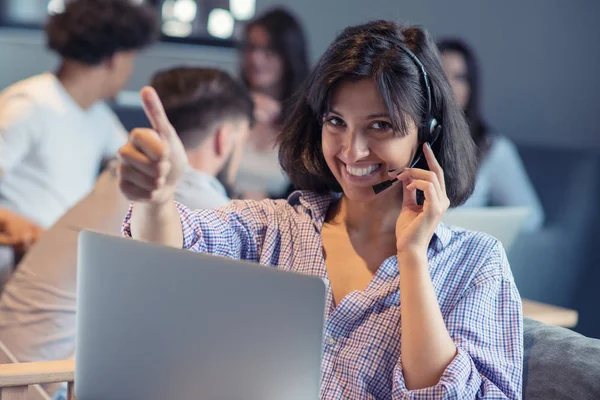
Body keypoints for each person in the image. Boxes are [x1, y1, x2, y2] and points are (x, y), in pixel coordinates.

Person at [118, 21, 523, 399]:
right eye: (336, 121)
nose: (352, 150)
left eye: (380, 125)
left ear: (427, 134)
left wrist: (413, 258)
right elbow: (172, 247)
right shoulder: (278, 227)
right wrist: (156, 199)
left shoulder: (476, 264)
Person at [0, 66, 253, 399]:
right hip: (46, 384)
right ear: (226, 137)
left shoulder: (122, 176)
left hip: (16, 366)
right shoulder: (195, 199)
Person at [0, 0, 159, 237]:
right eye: (131, 59)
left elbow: (137, 160)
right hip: (19, 262)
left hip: (60, 256)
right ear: (115, 59)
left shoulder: (100, 118)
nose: (130, 72)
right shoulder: (30, 104)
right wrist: (23, 229)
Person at [438, 38, 544, 231]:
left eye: (459, 77)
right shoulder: (406, 140)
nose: (448, 86)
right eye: (440, 75)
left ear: (471, 87)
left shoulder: (493, 148)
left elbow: (530, 218)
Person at [235, 7, 310, 199]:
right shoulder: (228, 107)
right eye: (251, 47)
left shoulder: (307, 120)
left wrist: (266, 199)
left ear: (289, 55)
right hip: (219, 215)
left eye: (269, 50)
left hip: (279, 222)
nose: (256, 59)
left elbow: (310, 194)